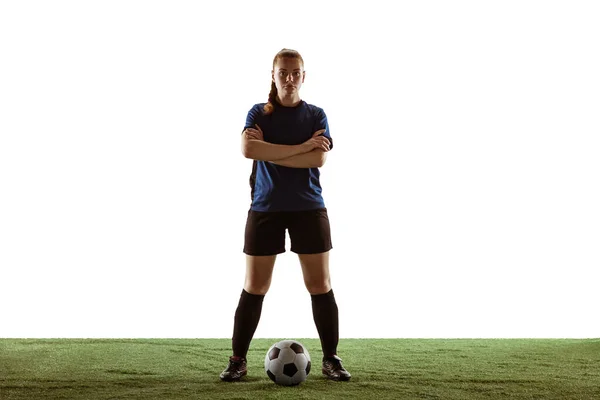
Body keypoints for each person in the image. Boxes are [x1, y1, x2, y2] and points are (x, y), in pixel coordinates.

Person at [219, 48, 351, 382]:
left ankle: (331, 359)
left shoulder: (317, 115)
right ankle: (238, 360)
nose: (289, 78)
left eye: (295, 73)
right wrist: (302, 146)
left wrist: (275, 152)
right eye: (283, 73)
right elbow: (249, 150)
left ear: (303, 77)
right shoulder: (258, 113)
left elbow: (317, 161)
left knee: (320, 284)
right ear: (273, 75)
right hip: (265, 207)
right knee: (255, 285)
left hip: (309, 206)